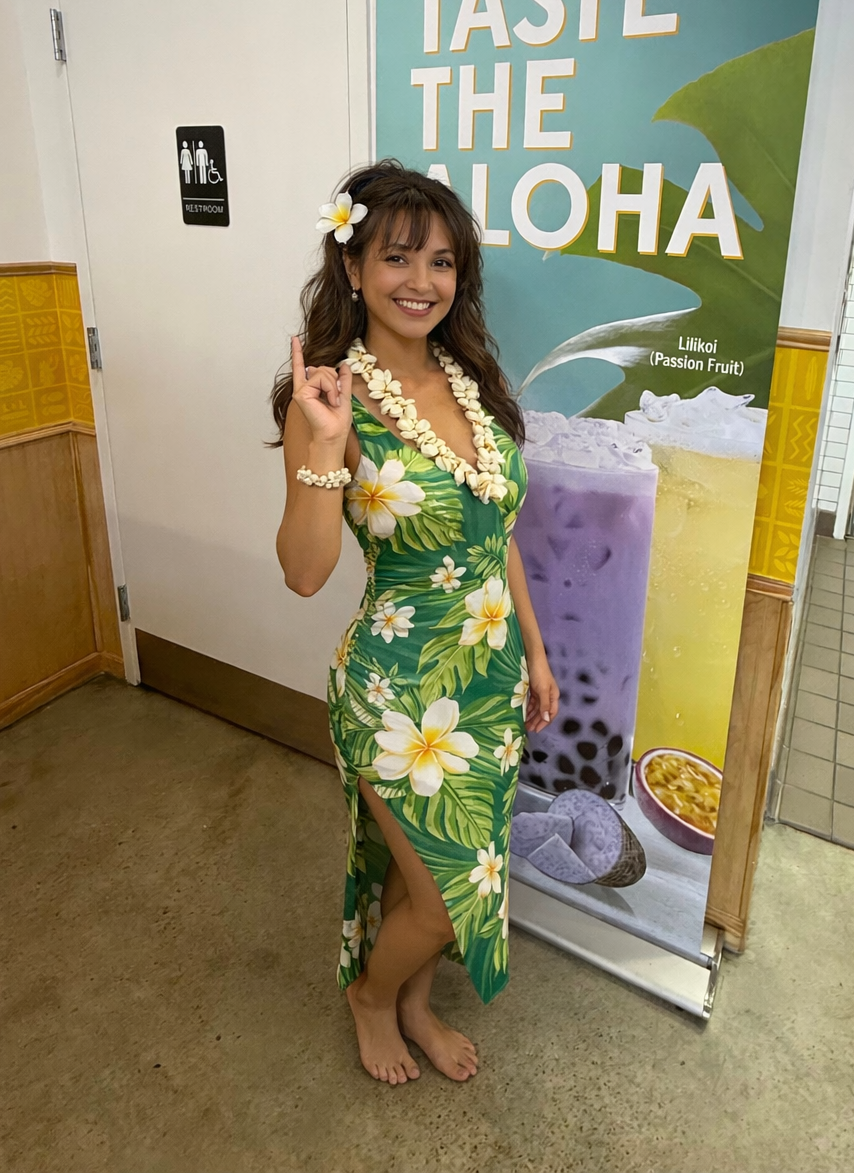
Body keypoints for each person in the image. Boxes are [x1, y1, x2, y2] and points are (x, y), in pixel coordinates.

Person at [273, 160, 559, 1086]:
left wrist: (537, 657)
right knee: (445, 898)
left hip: (488, 677)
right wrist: (319, 449)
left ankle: (413, 1002)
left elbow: (495, 532)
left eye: (442, 262)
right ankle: (369, 997)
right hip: (395, 694)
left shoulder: (468, 375)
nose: (422, 282)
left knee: (434, 873)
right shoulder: (331, 401)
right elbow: (306, 573)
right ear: (352, 267)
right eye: (398, 257)